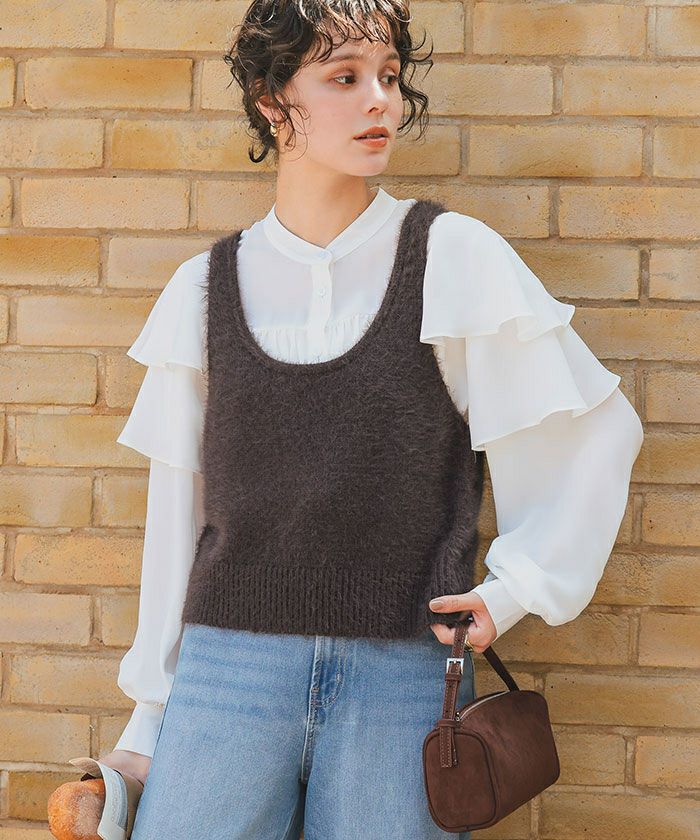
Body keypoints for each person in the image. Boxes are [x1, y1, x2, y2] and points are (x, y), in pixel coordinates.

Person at [97, 1, 644, 837]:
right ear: (272, 101)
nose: (380, 99)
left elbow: (594, 432)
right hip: (227, 673)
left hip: (402, 676)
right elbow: (175, 521)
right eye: (344, 78)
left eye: (388, 75)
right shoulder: (202, 289)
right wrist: (146, 721)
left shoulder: (453, 257)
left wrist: (513, 591)